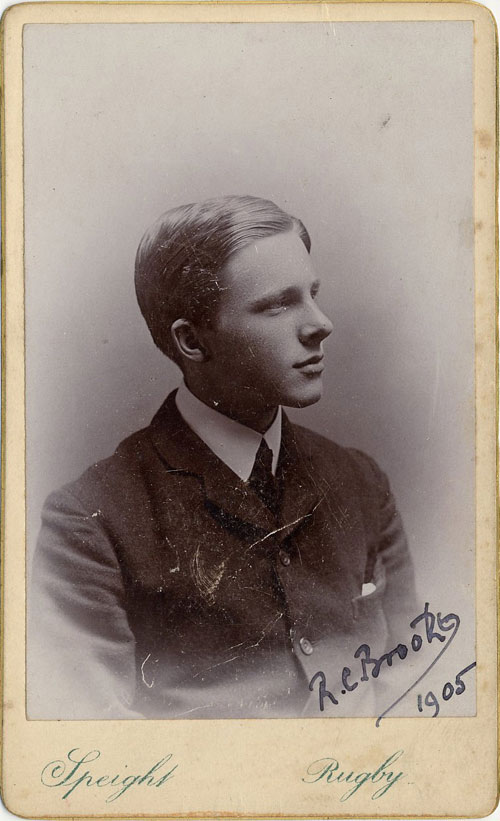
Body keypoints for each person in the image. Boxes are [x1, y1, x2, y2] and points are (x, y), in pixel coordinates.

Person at [29, 195, 417, 719]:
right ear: (192, 341)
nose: (320, 324)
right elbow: (90, 736)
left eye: (313, 294)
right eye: (278, 304)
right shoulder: (91, 521)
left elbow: (415, 680)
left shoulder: (360, 481)